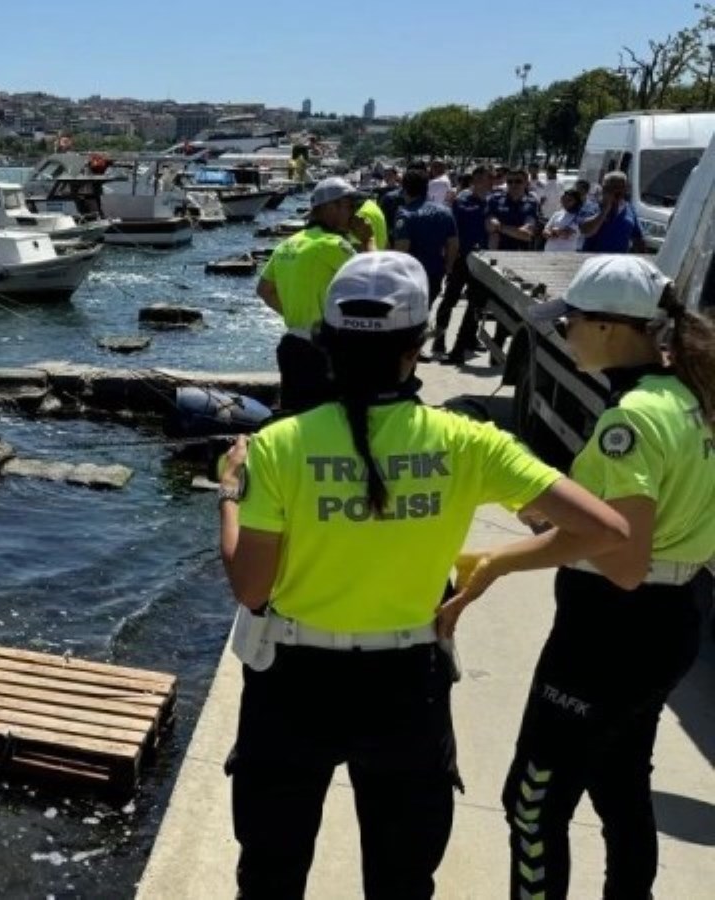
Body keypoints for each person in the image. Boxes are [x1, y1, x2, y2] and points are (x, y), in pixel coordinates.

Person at [218, 252, 628, 899]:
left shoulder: (278, 446)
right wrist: (497, 563)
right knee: (403, 880)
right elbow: (604, 529)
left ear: (326, 342)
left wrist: (229, 496)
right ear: (419, 347)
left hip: (293, 684)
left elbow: (250, 587)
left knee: (271, 874)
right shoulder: (468, 442)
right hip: (406, 685)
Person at [440, 256, 715, 899]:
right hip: (674, 617)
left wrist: (497, 564)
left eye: (571, 324)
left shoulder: (631, 422)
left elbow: (621, 559)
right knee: (621, 782)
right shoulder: (689, 398)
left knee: (534, 801)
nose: (563, 336)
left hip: (610, 633)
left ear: (613, 328)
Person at [256, 177, 374, 413]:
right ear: (330, 208)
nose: (353, 213)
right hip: (325, 351)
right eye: (348, 206)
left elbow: (264, 290)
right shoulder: (332, 244)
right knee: (331, 418)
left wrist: (292, 310)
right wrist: (368, 240)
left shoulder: (288, 244)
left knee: (294, 416)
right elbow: (377, 280)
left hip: (292, 344)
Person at [432, 165, 495, 362]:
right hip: (461, 258)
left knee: (474, 305)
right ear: (476, 180)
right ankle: (439, 339)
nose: (492, 181)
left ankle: (462, 345)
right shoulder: (461, 201)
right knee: (449, 300)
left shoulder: (493, 202)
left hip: (482, 261)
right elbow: (450, 232)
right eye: (487, 178)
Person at [392, 167, 459, 305]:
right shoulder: (445, 212)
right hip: (435, 271)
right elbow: (453, 243)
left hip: (410, 276)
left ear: (404, 188)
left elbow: (401, 249)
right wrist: (448, 266)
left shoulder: (405, 215)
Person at [579, 171, 646, 254]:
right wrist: (605, 209)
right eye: (612, 187)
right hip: (594, 259)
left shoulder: (629, 208)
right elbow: (587, 231)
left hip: (619, 261)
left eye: (621, 187)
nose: (617, 191)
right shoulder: (592, 205)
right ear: (604, 188)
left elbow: (638, 238)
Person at [487, 168, 540, 251]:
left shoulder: (531, 203)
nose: (513, 184)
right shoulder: (495, 199)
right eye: (509, 182)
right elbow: (489, 224)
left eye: (518, 181)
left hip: (520, 254)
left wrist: (500, 227)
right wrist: (515, 231)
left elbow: (527, 234)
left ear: (526, 183)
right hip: (497, 252)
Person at [542, 188, 587, 252]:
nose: (565, 202)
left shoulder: (579, 216)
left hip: (566, 253)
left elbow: (567, 233)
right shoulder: (557, 214)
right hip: (549, 250)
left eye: (569, 200)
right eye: (564, 199)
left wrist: (554, 230)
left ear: (576, 201)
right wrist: (550, 233)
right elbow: (545, 231)